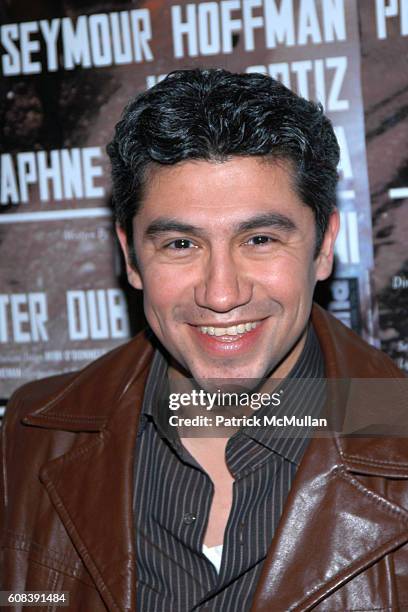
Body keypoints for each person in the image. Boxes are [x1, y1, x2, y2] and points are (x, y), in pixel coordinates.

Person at [1, 68, 407, 612]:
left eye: (260, 239)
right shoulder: (32, 435)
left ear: (325, 245)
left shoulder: (399, 429)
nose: (221, 294)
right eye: (179, 244)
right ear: (131, 256)